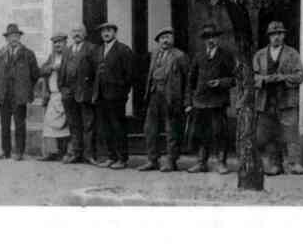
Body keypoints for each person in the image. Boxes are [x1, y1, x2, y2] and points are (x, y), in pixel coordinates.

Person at [253, 21, 303, 175]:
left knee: (290, 130)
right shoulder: (260, 55)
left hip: (286, 98)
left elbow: (300, 75)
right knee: (267, 133)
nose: (276, 37)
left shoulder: (292, 54)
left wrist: (283, 78)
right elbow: (253, 76)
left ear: (284, 35)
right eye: (273, 34)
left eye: (279, 34)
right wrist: (264, 79)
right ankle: (273, 165)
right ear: (269, 37)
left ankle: (294, 163)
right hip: (266, 99)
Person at [185, 23, 236, 174]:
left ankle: (221, 162)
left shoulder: (226, 55)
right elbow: (191, 81)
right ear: (203, 40)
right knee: (201, 133)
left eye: (213, 37)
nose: (210, 40)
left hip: (218, 101)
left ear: (218, 38)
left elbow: (234, 78)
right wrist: (189, 101)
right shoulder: (199, 56)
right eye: (207, 37)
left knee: (219, 132)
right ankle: (201, 162)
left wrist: (220, 82)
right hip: (200, 101)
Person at [138, 27, 188, 172]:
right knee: (150, 129)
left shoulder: (180, 56)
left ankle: (171, 160)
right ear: (158, 41)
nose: (165, 40)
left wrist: (186, 102)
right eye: (162, 38)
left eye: (168, 37)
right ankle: (152, 160)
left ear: (172, 39)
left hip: (171, 98)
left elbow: (187, 80)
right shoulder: (154, 54)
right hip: (154, 96)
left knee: (171, 130)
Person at [0, 23, 40, 161]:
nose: (13, 38)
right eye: (10, 36)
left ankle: (19, 152)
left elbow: (35, 74)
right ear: (6, 38)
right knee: (4, 125)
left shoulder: (28, 54)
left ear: (19, 37)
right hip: (4, 94)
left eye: (16, 36)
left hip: (20, 94)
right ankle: (5, 151)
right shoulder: (0, 54)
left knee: (19, 125)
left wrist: (25, 87)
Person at [92, 21, 134, 169]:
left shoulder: (123, 50)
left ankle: (122, 158)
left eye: (109, 30)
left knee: (118, 127)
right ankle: (111, 156)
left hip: (116, 96)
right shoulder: (98, 50)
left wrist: (123, 93)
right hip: (101, 95)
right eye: (103, 31)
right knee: (106, 127)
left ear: (115, 33)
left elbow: (129, 75)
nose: (106, 33)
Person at [59, 24, 97, 165]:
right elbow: (62, 72)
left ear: (85, 34)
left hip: (85, 93)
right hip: (69, 94)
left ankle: (89, 155)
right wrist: (63, 89)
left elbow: (95, 73)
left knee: (88, 125)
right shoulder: (67, 50)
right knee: (74, 125)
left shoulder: (91, 48)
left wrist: (93, 92)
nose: (77, 34)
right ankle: (76, 153)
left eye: (80, 31)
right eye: (74, 31)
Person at [38, 33, 71, 161]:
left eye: (60, 42)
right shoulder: (51, 57)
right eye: (55, 42)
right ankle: (52, 152)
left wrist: (61, 68)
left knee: (65, 125)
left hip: (64, 95)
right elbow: (41, 70)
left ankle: (65, 152)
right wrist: (51, 68)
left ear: (65, 43)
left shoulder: (69, 56)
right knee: (50, 124)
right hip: (52, 95)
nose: (57, 45)